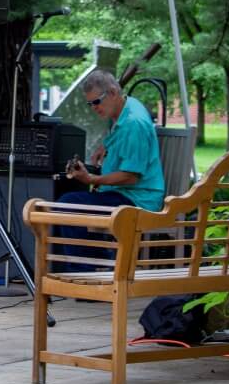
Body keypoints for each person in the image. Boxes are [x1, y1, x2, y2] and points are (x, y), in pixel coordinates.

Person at [57, 69, 164, 271]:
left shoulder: (134, 124)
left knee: (67, 204)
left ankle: (85, 279)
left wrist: (91, 179)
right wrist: (107, 145)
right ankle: (101, 263)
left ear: (113, 92)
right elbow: (123, 137)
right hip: (124, 194)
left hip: (136, 199)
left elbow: (130, 177)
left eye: (97, 102)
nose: (94, 108)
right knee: (70, 200)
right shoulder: (128, 106)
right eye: (90, 104)